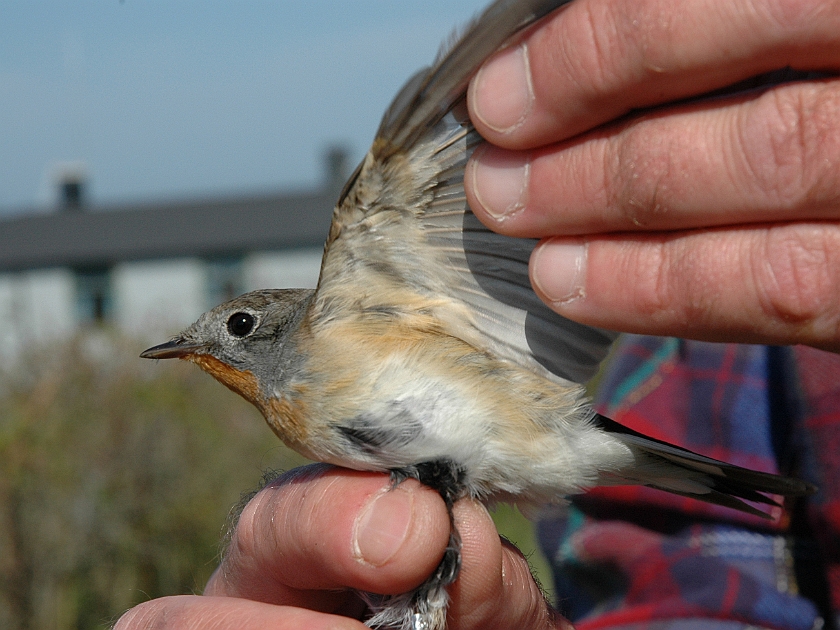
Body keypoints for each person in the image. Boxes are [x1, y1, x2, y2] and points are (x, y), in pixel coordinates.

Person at [115, 0, 840, 628]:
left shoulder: (355, 291)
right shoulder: (301, 414)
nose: (216, 347)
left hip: (529, 421)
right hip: (516, 451)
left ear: (273, 324)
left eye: (237, 326)